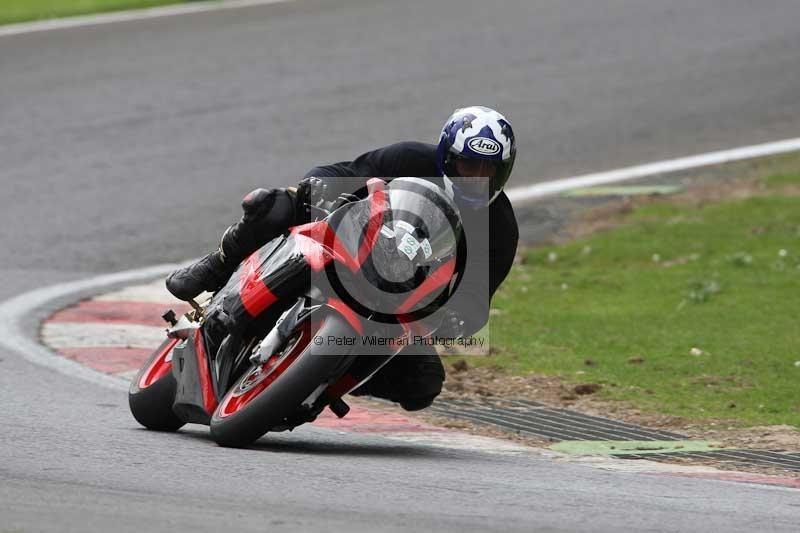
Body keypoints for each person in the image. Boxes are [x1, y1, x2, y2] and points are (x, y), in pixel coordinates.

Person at [166, 105, 519, 410]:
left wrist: (452, 322)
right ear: (445, 156)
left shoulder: (500, 229)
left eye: (488, 171)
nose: (475, 179)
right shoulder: (409, 158)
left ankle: (323, 381)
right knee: (272, 205)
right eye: (467, 166)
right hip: (351, 246)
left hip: (401, 303)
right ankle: (216, 265)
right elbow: (341, 173)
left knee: (423, 383)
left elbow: (475, 301)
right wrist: (314, 190)